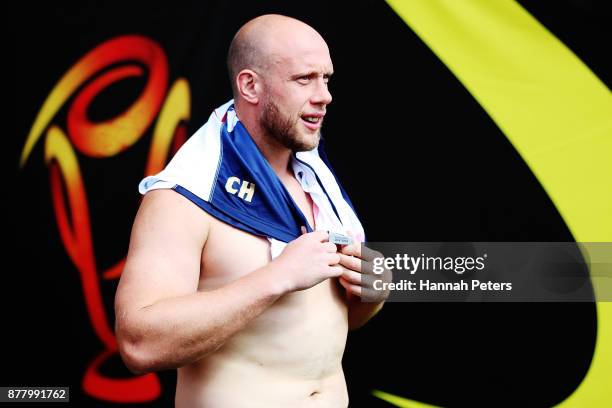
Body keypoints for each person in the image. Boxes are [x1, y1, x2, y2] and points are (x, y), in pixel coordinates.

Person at [114, 14, 389, 407]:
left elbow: (319, 325)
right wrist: (276, 277)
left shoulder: (319, 182)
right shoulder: (185, 195)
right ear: (250, 85)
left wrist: (371, 293)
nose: (324, 95)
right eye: (304, 79)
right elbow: (139, 344)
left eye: (326, 78)